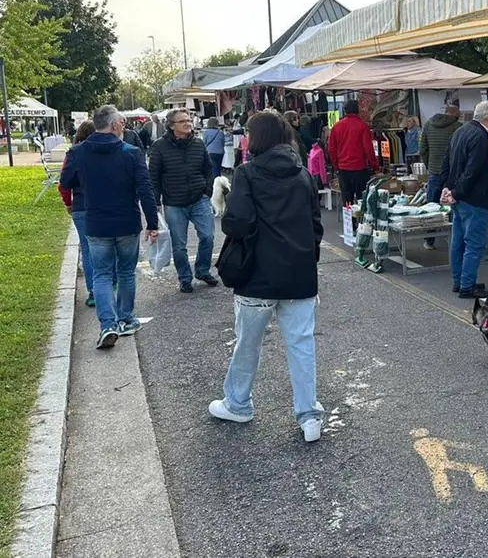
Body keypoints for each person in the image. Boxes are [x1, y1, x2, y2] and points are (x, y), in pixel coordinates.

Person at [208, 111, 325, 442]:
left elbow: (237, 223)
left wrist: (227, 201)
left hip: (257, 273)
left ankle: (238, 403)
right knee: (301, 345)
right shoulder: (303, 174)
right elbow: (316, 225)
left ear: (255, 138)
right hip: (300, 273)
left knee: (248, 343)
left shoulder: (246, 174)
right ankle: (309, 415)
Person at [60, 105, 159, 349]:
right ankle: (125, 318)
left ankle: (108, 324)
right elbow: (145, 189)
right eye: (122, 124)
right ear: (114, 125)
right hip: (126, 220)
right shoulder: (131, 153)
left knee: (102, 274)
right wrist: (152, 222)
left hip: (96, 222)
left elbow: (66, 181)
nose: (124, 127)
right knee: (125, 272)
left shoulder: (77, 152)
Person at [149, 109, 217, 294]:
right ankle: (185, 278)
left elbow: (208, 169)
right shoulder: (159, 147)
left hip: (199, 199)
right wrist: (155, 204)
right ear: (171, 126)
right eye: (183, 121)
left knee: (208, 237)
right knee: (179, 245)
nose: (188, 123)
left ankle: (202, 270)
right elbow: (153, 177)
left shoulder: (198, 144)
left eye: (189, 120)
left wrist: (207, 190)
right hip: (174, 202)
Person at [441, 101, 488, 298]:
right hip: (474, 197)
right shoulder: (481, 137)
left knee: (458, 241)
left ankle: (459, 281)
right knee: (474, 243)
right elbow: (473, 171)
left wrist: (449, 188)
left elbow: (447, 162)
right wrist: (457, 192)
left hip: (459, 196)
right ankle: (467, 285)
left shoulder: (460, 132)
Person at [58, 120, 97, 307]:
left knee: (88, 249)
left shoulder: (73, 153)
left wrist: (68, 203)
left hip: (81, 205)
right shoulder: (104, 151)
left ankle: (93, 291)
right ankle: (108, 282)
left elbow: (63, 184)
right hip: (103, 205)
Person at [420, 104, 461, 248]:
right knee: (454, 205)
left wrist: (430, 165)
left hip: (434, 172)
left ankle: (429, 239)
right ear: (456, 115)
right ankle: (455, 241)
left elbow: (422, 149)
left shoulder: (428, 125)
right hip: (453, 173)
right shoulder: (458, 127)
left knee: (432, 206)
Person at [327, 100, 378, 206]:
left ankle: (349, 222)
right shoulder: (363, 126)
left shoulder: (336, 127)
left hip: (343, 168)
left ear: (344, 111)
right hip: (360, 169)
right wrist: (375, 166)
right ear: (357, 110)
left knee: (347, 201)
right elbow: (368, 149)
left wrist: (336, 165)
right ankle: (360, 222)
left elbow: (331, 149)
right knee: (361, 200)